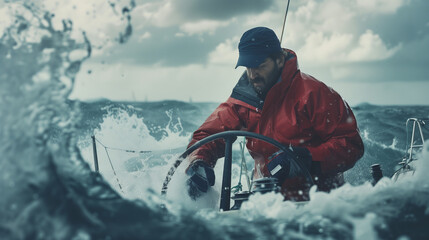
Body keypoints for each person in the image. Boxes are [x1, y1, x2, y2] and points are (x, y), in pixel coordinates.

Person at [185, 27, 364, 201]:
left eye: (260, 66)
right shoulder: (242, 101)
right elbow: (207, 135)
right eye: (248, 67)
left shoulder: (314, 94)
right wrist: (198, 161)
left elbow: (351, 145)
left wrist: (303, 159)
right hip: (265, 204)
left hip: (319, 203)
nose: (253, 74)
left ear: (279, 60)